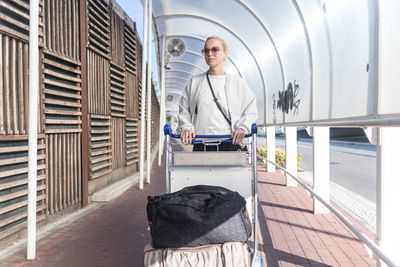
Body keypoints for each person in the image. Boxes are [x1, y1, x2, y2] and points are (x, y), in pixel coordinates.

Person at [177, 35, 257, 151]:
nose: (210, 54)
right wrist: (186, 128)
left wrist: (243, 128)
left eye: (215, 49)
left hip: (231, 144)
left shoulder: (237, 83)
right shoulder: (194, 83)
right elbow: (183, 110)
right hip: (201, 144)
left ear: (225, 54)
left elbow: (251, 110)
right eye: (206, 50)